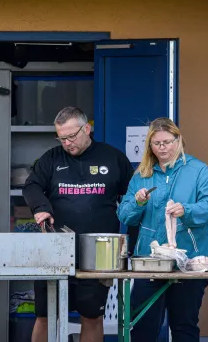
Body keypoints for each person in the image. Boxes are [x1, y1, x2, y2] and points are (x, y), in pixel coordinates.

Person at [22, 106, 134, 342]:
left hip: (98, 252)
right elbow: (31, 186)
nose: (66, 143)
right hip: (54, 249)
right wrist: (41, 208)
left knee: (92, 316)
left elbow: (133, 199)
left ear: (87, 129)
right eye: (61, 138)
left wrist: (131, 241)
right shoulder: (51, 158)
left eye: (71, 136)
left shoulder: (113, 158)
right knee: (45, 315)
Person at [117, 117, 208, 342]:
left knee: (184, 325)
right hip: (150, 260)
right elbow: (125, 215)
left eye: (167, 142)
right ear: (150, 146)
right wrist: (138, 203)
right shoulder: (142, 175)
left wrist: (187, 209)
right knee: (143, 325)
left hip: (191, 258)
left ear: (178, 140)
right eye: (157, 143)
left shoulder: (197, 169)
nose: (162, 147)